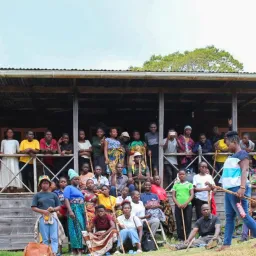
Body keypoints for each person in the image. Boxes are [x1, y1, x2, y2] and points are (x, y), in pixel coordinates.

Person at [218, 131, 256, 251]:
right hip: (228, 190)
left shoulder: (242, 154)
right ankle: (226, 243)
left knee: (243, 215)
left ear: (234, 142)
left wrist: (242, 188)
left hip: (237, 190)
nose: (227, 146)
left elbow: (245, 170)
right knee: (229, 216)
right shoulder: (231, 157)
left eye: (228, 143)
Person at [31, 175, 61, 256]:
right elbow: (33, 207)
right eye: (43, 183)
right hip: (42, 217)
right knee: (45, 238)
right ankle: (46, 253)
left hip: (53, 217)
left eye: (47, 183)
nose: (45, 185)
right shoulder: (37, 195)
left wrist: (53, 209)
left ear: (49, 184)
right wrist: (43, 211)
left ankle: (54, 252)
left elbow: (59, 206)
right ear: (40, 185)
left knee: (54, 237)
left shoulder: (53, 195)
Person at [64, 169, 85, 255]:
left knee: (81, 228)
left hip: (80, 209)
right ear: (71, 180)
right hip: (74, 208)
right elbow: (66, 199)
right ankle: (75, 249)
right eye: (75, 179)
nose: (77, 180)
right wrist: (70, 211)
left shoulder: (79, 189)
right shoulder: (68, 187)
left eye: (78, 179)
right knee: (74, 228)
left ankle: (80, 248)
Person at [172, 170, 194, 241]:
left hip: (188, 205)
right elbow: (173, 196)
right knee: (179, 221)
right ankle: (180, 237)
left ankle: (188, 237)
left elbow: (192, 195)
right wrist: (178, 204)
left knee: (188, 221)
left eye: (183, 174)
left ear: (185, 175)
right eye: (180, 174)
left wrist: (186, 203)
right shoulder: (175, 185)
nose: (182, 175)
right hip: (178, 206)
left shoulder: (189, 184)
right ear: (178, 175)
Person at [53, 177, 68, 254]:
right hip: (59, 214)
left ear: (67, 183)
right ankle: (60, 250)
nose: (63, 183)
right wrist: (57, 212)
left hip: (68, 213)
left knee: (69, 231)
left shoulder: (69, 191)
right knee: (58, 231)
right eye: (61, 182)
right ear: (59, 183)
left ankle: (71, 248)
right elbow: (55, 203)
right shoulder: (56, 192)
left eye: (64, 182)